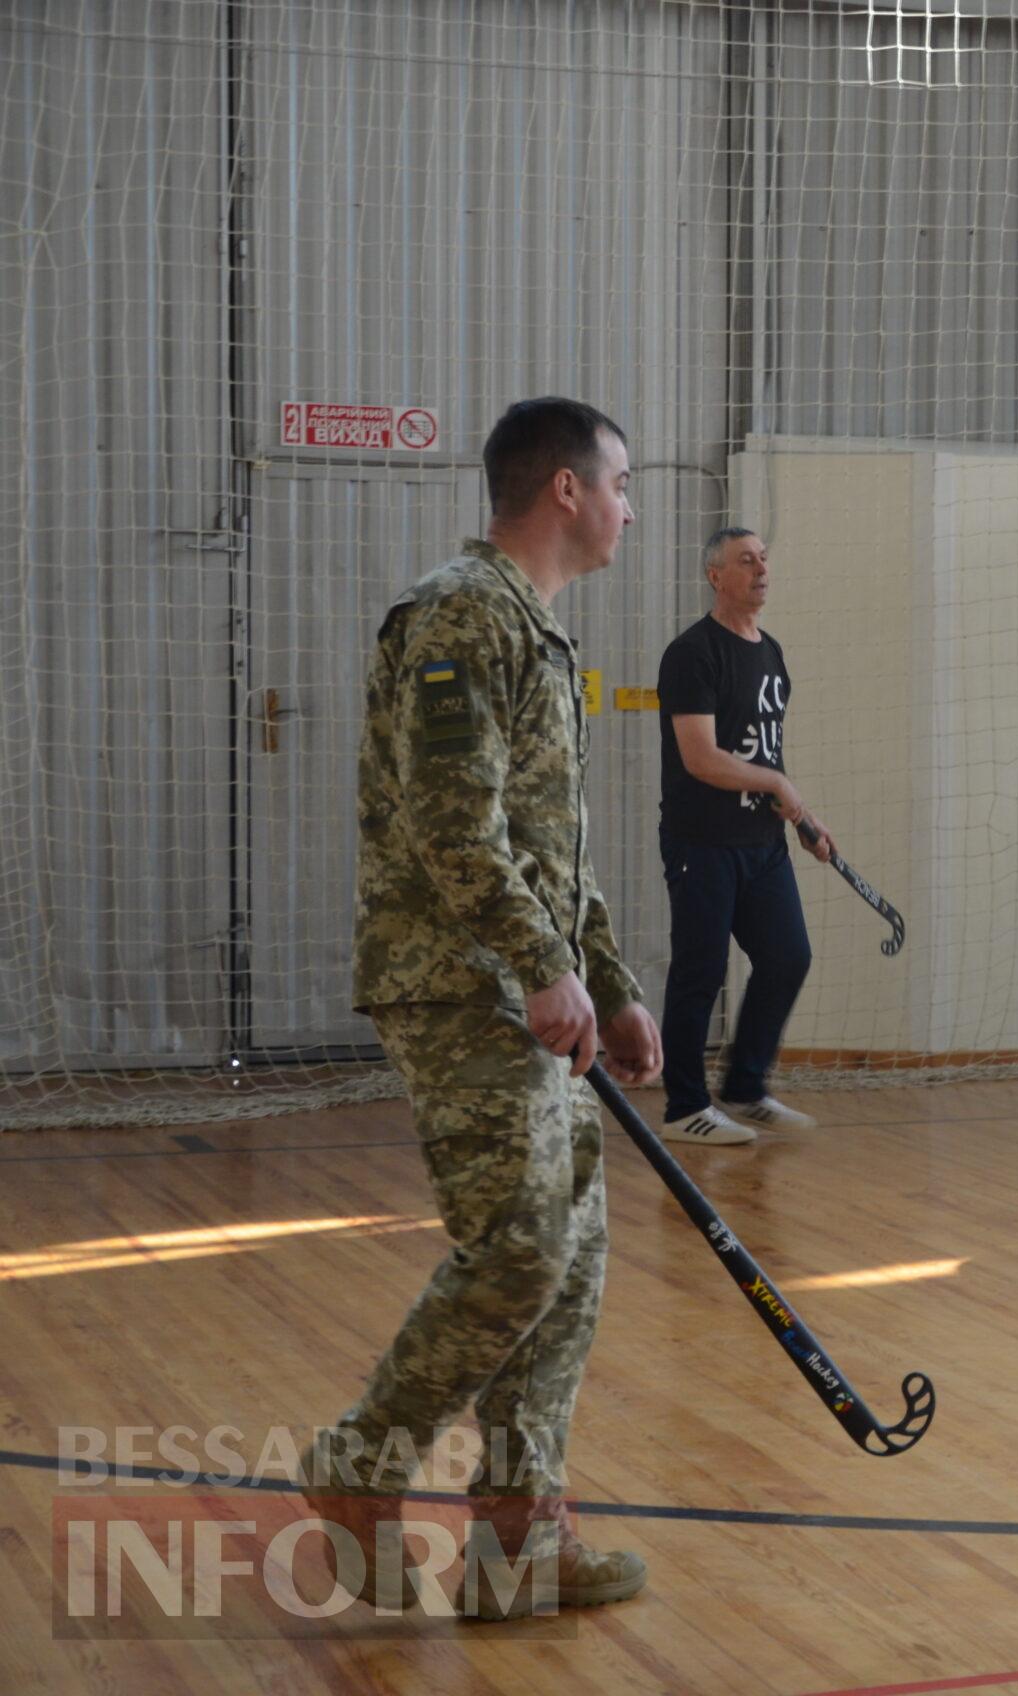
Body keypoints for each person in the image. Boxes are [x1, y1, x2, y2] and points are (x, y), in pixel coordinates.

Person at [307, 396, 663, 1618]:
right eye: (621, 481)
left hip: (532, 995)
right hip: (459, 987)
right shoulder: (461, 612)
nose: (632, 505)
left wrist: (605, 981)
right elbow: (450, 824)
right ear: (564, 489)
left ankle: (520, 1546)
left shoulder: (538, 633)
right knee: (519, 1253)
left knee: (568, 1270)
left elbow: (550, 848)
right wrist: (537, 964)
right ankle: (360, 1460)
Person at [654, 526, 835, 1146]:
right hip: (700, 842)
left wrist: (802, 816)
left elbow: (765, 754)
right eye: (746, 560)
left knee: (788, 957)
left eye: (764, 559)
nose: (761, 569)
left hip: (762, 843)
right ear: (715, 576)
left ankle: (746, 1088)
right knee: (700, 972)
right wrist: (780, 786)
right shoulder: (692, 653)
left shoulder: (772, 653)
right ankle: (684, 1107)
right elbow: (702, 758)